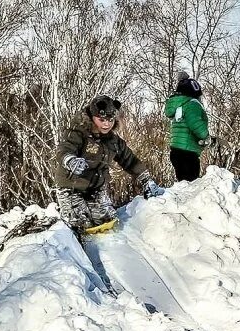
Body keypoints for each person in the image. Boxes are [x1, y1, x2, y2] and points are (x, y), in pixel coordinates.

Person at [54, 95, 157, 231]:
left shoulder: (113, 141)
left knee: (108, 222)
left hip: (96, 189)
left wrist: (146, 179)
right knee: (80, 224)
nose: (106, 124)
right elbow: (65, 149)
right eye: (101, 120)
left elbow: (129, 160)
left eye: (110, 120)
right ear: (92, 117)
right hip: (71, 188)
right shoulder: (78, 133)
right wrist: (70, 160)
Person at [164, 71, 212, 183]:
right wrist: (206, 137)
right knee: (191, 185)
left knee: (183, 184)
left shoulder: (180, 105)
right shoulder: (192, 104)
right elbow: (196, 124)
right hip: (188, 152)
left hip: (176, 150)